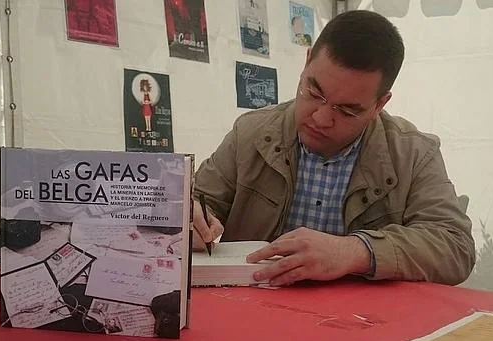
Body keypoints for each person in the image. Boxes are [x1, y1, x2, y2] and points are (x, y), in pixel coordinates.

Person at [192, 10, 475, 287]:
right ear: (306, 62)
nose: (321, 118)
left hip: (362, 324)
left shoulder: (413, 153)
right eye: (314, 93)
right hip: (253, 310)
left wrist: (354, 251)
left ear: (379, 104)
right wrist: (188, 219)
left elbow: (455, 246)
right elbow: (198, 202)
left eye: (347, 110)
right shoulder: (250, 133)